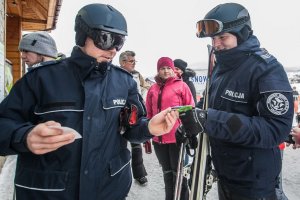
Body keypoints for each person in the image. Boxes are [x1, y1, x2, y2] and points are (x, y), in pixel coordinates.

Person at [0, 4, 178, 200]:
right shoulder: (41, 79)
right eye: (105, 38)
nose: (113, 49)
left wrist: (149, 127)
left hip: (109, 190)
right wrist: (24, 136)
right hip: (51, 192)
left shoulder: (124, 82)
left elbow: (131, 128)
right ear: (82, 35)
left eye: (119, 41)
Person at [178, 3, 294, 200]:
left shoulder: (266, 69)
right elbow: (208, 105)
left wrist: (209, 120)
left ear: (242, 34)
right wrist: (192, 119)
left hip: (255, 183)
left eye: (222, 37)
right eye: (214, 38)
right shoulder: (220, 70)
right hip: (226, 174)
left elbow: (276, 130)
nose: (216, 44)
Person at [146, 57, 194, 200]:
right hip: (158, 139)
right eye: (162, 68)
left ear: (173, 69)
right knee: (167, 174)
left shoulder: (181, 86)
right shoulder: (153, 89)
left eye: (168, 68)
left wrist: (188, 131)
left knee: (179, 174)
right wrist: (148, 134)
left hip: (176, 138)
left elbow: (190, 109)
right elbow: (149, 113)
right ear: (158, 70)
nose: (166, 71)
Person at [119, 50, 150, 185]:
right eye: (131, 61)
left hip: (135, 113)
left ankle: (139, 174)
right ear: (122, 62)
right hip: (119, 114)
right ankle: (118, 175)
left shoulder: (137, 75)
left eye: (134, 61)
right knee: (118, 147)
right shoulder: (115, 74)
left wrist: (145, 92)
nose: (134, 64)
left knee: (136, 146)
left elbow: (145, 86)